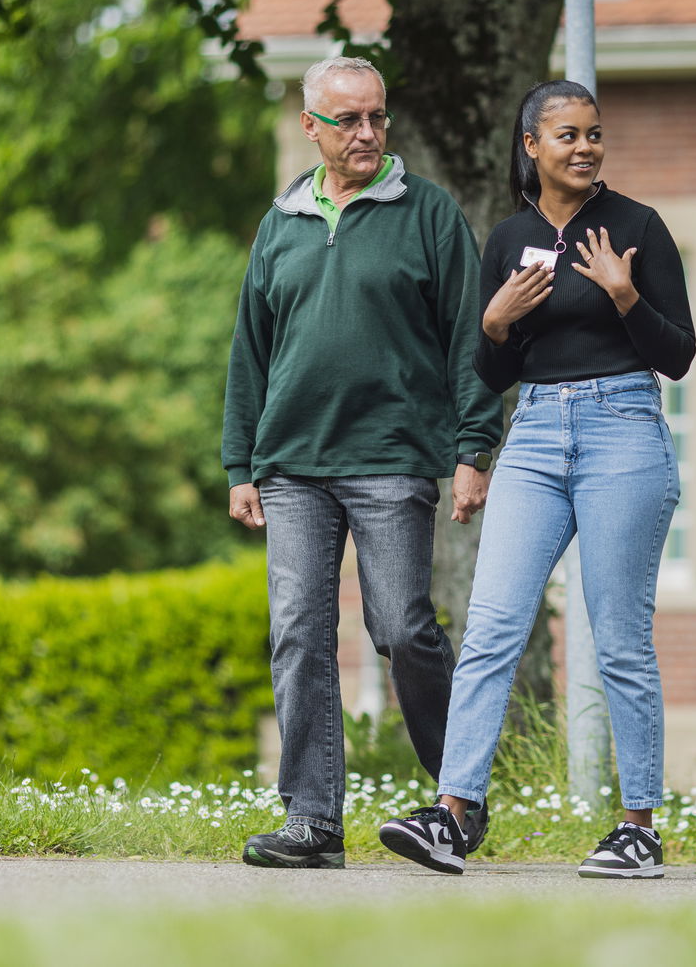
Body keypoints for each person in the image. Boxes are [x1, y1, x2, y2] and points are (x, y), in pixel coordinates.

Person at [377, 79, 695, 879]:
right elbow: (493, 368)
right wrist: (493, 321)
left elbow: (679, 355)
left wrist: (625, 296)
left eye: (594, 134)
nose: (584, 147)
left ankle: (639, 827)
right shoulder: (509, 237)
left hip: (624, 427)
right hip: (536, 434)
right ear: (532, 145)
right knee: (490, 627)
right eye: (567, 135)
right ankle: (452, 813)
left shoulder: (637, 229)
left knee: (619, 637)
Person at [222, 56, 504, 869]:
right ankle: (311, 822)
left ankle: (459, 796)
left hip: (391, 457)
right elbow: (250, 351)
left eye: (377, 116)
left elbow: (469, 337)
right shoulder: (281, 223)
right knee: (299, 634)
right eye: (348, 120)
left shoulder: (429, 214)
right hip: (292, 465)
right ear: (311, 127)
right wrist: (240, 462)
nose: (368, 133)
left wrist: (472, 449)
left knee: (403, 627)